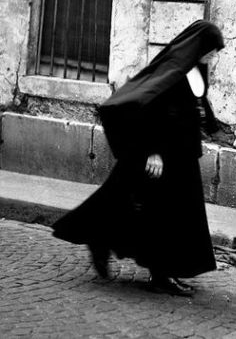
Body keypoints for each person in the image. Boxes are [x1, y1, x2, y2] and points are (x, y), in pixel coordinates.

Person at [52, 20, 224, 296]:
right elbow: (150, 107)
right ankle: (159, 275)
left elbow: (193, 106)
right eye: (211, 50)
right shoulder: (173, 70)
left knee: (160, 213)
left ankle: (108, 242)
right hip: (163, 156)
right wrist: (152, 151)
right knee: (162, 216)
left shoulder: (196, 70)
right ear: (199, 46)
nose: (213, 56)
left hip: (183, 154)